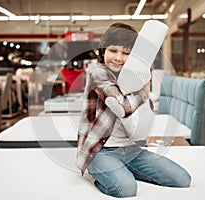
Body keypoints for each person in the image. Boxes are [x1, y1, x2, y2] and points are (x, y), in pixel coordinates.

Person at [76, 22, 191, 198]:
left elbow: (145, 112)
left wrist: (143, 90)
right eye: (113, 51)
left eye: (126, 53)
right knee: (127, 189)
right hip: (100, 150)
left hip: (130, 150)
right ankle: (100, 173)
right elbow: (121, 105)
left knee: (182, 179)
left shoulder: (134, 76)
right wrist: (145, 91)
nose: (118, 58)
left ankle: (123, 168)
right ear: (103, 51)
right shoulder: (98, 73)